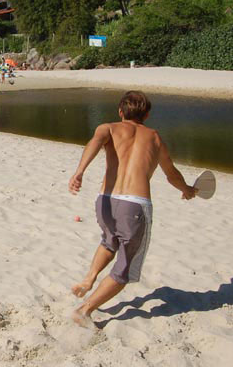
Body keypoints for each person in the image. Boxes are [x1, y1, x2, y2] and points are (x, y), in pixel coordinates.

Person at [68, 91, 197, 327]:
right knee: (124, 269)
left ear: (120, 112)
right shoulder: (155, 137)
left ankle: (89, 279)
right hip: (135, 205)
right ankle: (85, 310)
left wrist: (79, 172)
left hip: (105, 200)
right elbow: (171, 174)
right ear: (147, 114)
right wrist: (187, 189)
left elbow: (94, 143)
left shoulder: (107, 128)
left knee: (109, 241)